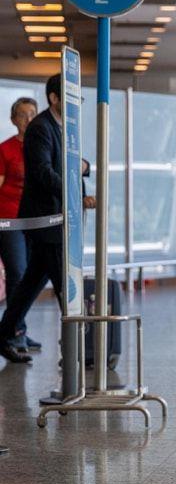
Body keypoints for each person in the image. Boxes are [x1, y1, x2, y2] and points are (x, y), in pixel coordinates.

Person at [0, 75, 93, 364]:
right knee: (66, 288)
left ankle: (3, 334)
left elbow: (68, 164)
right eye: (71, 97)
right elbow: (42, 173)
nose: (76, 103)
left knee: (30, 284)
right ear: (54, 98)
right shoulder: (41, 128)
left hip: (55, 220)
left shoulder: (62, 126)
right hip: (46, 221)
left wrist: (85, 168)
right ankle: (77, 352)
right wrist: (75, 196)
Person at [0, 97, 39, 352]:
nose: (28, 119)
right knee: (18, 272)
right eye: (22, 115)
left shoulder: (41, 146)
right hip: (9, 219)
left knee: (32, 276)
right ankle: (14, 332)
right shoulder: (5, 150)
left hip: (35, 219)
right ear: (14, 120)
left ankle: (17, 327)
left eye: (32, 114)